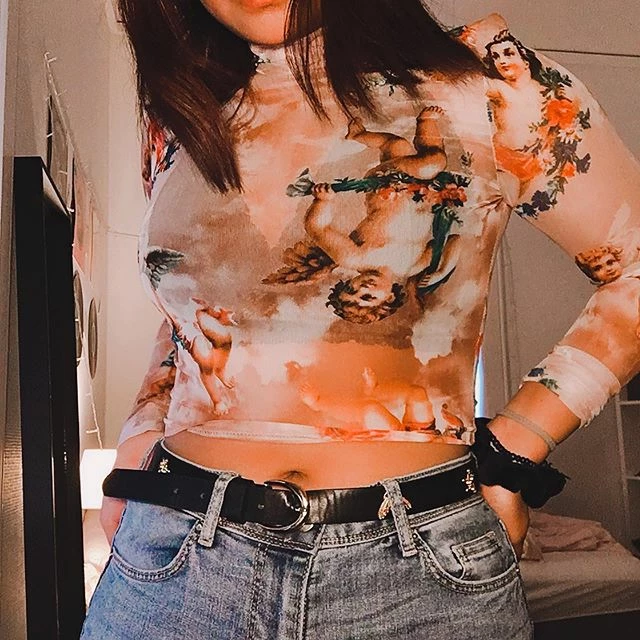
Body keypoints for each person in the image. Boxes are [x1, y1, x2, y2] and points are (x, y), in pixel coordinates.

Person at [80, 2, 640, 638]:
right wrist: (137, 437)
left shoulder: (488, 83)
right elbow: (189, 311)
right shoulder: (181, 115)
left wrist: (515, 447)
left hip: (418, 568)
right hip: (173, 554)